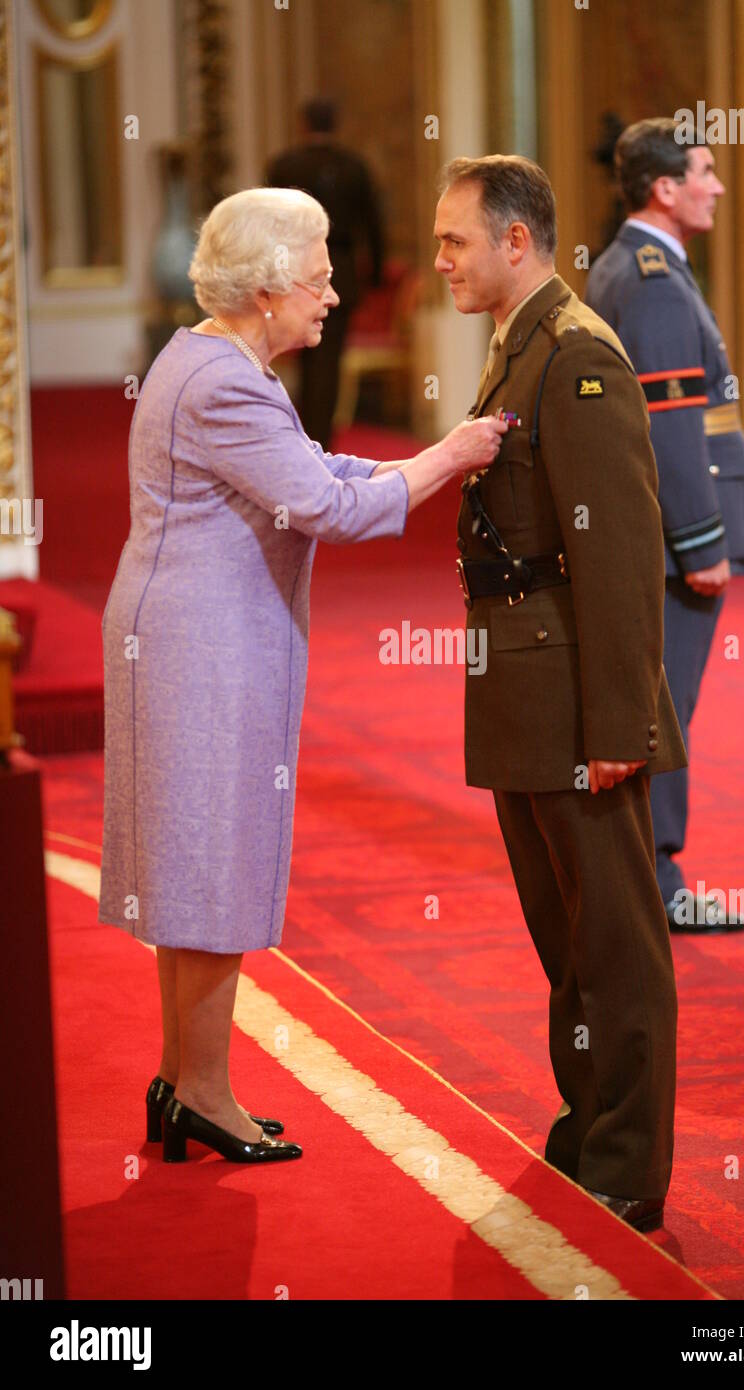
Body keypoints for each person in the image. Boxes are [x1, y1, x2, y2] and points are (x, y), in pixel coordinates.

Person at [97, 186, 506, 1166]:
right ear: (271, 286)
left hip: (187, 635)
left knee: (194, 868)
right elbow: (330, 507)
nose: (333, 296)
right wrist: (449, 455)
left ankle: (184, 1083)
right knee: (211, 866)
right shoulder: (226, 382)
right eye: (320, 279)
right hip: (201, 647)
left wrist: (405, 463)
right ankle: (200, 1089)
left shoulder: (205, 358)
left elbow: (312, 468)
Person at [434, 155, 687, 1231]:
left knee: (616, 945)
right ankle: (587, 1123)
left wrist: (619, 725)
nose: (439, 257)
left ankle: (628, 1160)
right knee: (563, 937)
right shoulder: (519, 344)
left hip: (576, 701)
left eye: (454, 239)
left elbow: (624, 560)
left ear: (515, 243)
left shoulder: (577, 357)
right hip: (523, 692)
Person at [584, 118, 744, 934]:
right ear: (665, 188)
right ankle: (657, 882)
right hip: (673, 542)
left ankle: (640, 877)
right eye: (705, 172)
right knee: (664, 712)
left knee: (651, 706)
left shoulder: (627, 263)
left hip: (651, 536)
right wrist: (702, 543)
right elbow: (671, 425)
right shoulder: (654, 277)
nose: (718, 186)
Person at [265, 98, 384, 450]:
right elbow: (374, 225)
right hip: (342, 271)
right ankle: (322, 440)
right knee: (330, 359)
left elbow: (268, 222)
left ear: (303, 124)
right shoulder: (355, 167)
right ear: (336, 124)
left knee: (304, 354)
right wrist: (374, 275)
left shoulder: (285, 166)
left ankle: (300, 434)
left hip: (294, 270)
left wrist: (272, 272)